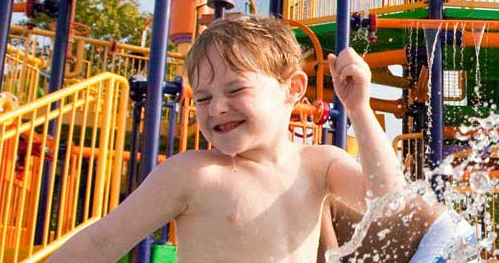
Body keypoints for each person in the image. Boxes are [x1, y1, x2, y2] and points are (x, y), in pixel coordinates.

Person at [46, 15, 471, 262]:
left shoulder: (319, 163)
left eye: (235, 91)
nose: (216, 109)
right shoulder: (191, 175)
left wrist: (359, 109)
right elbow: (103, 241)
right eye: (204, 97)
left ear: (293, 89)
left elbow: (388, 198)